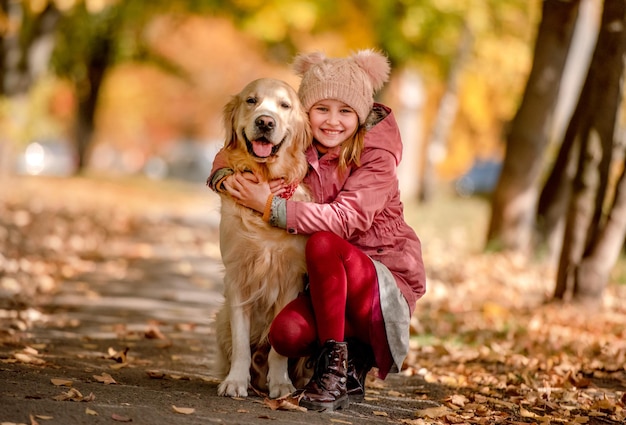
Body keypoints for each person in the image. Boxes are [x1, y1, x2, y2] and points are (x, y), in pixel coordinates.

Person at [208, 49, 426, 412]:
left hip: (379, 280)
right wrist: (222, 175)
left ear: (360, 114)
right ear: (306, 117)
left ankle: (338, 370)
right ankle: (343, 359)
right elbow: (237, 144)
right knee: (286, 332)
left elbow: (347, 219)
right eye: (322, 109)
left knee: (324, 243)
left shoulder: (377, 154)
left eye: (345, 111)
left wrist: (271, 207)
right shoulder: (300, 139)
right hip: (327, 286)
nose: (332, 122)